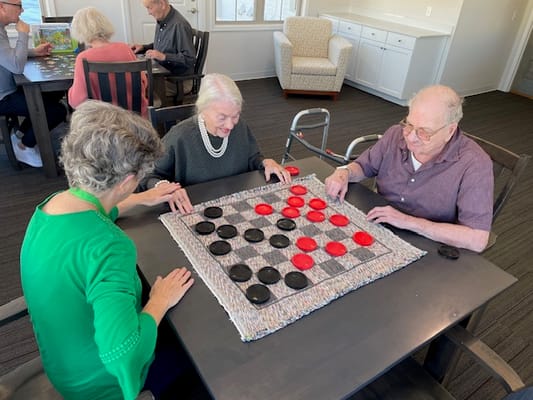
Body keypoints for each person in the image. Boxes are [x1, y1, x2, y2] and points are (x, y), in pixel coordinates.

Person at [20, 100, 194, 400]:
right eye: (138, 179)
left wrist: (142, 199)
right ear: (127, 181)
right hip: (99, 386)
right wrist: (158, 301)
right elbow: (121, 354)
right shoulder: (110, 248)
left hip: (63, 365)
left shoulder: (51, 207)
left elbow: (93, 210)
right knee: (195, 355)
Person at [325, 85, 493, 253]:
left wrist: (409, 221)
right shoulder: (395, 134)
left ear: (450, 131)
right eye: (409, 124)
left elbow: (477, 239)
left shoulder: (475, 164)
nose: (411, 137)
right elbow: (363, 166)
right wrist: (344, 172)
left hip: (428, 244)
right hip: (379, 225)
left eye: (424, 132)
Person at [141, 73, 292, 214]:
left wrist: (266, 162)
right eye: (222, 117)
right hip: (194, 211)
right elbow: (148, 176)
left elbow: (252, 158)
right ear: (202, 110)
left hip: (237, 208)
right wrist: (163, 187)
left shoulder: (240, 127)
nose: (230, 125)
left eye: (235, 116)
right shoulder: (179, 136)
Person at [0, 0, 66, 167]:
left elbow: (6, 57)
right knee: (57, 111)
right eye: (18, 6)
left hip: (7, 89)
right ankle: (24, 146)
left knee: (54, 93)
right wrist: (23, 34)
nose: (21, 10)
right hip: (3, 97)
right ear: (1, 6)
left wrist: (33, 52)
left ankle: (21, 135)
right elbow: (16, 66)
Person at [68, 7, 149, 117]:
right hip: (135, 117)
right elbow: (143, 81)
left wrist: (70, 92)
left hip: (103, 123)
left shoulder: (83, 58)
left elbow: (78, 101)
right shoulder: (125, 48)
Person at [131, 0, 196, 105]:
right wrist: (143, 47)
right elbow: (164, 45)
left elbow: (189, 59)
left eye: (149, 8)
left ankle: (159, 119)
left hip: (177, 81)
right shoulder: (163, 20)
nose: (148, 12)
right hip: (163, 76)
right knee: (136, 82)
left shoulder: (179, 25)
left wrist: (164, 56)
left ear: (161, 4)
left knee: (138, 88)